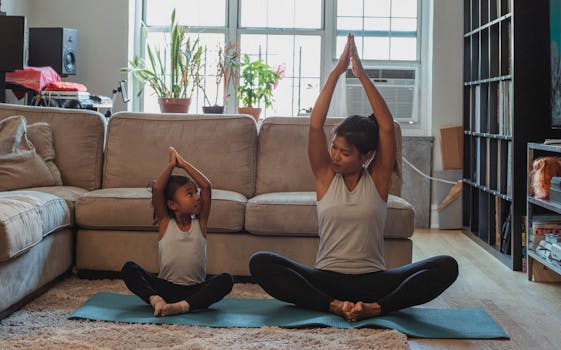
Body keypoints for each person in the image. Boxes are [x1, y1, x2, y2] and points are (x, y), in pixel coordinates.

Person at [249, 34, 458, 322]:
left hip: (373, 282)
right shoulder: (325, 176)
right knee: (260, 263)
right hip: (326, 278)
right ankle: (333, 305)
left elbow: (386, 126)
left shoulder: (378, 179)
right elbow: (314, 126)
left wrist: (361, 75)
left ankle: (377, 308)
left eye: (344, 153)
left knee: (447, 265)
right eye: (333, 147)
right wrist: (336, 72)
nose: (334, 156)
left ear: (366, 156)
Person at [121, 146, 233, 317]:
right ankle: (156, 301)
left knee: (226, 280)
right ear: (172, 205)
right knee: (129, 268)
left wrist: (183, 164)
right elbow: (158, 189)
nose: (197, 197)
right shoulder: (166, 223)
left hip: (195, 290)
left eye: (195, 193)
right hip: (165, 288)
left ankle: (181, 307)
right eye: (190, 194)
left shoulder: (200, 224)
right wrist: (171, 165)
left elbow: (207, 187)